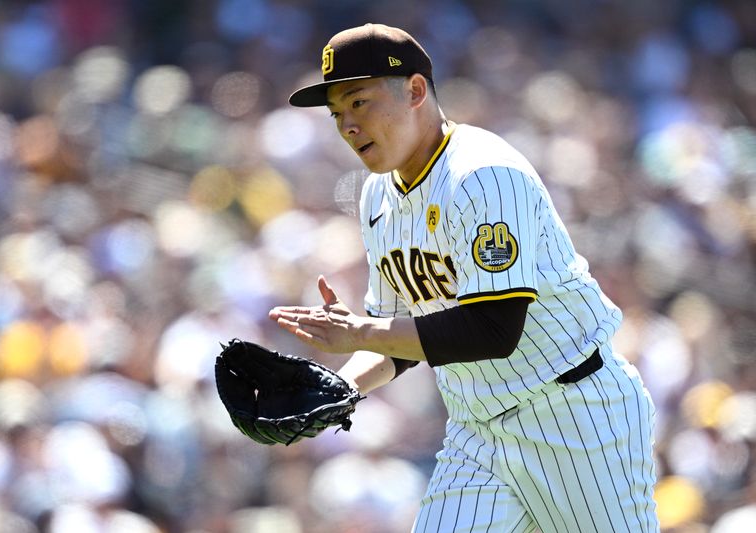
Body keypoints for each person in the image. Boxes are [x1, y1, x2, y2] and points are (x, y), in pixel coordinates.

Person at [270, 23, 659, 532]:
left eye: (359, 102)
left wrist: (359, 332)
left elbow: (493, 329)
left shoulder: (482, 174)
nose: (347, 125)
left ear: (414, 90)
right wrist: (338, 388)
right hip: (477, 428)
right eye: (337, 113)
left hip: (574, 415)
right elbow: (398, 336)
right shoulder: (376, 196)